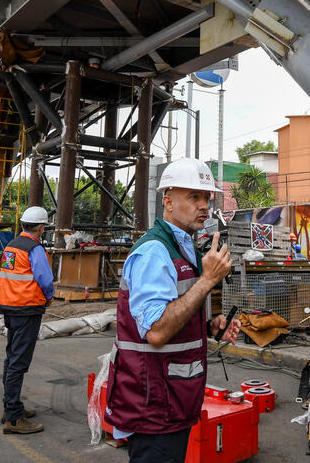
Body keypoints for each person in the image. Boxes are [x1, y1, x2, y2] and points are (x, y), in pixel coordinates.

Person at [106, 158, 242, 463]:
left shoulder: (182, 246)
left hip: (172, 401)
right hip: (154, 405)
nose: (204, 205)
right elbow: (156, 332)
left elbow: (174, 311)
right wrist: (207, 280)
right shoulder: (155, 252)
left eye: (206, 197)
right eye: (194, 196)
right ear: (168, 202)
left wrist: (208, 327)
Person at [0, 206, 54, 435]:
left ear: (22, 224)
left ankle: (10, 407)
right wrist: (49, 297)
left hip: (9, 306)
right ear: (41, 228)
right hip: (26, 308)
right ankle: (13, 418)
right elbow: (45, 279)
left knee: (11, 358)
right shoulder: (34, 248)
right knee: (18, 362)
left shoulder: (12, 246)